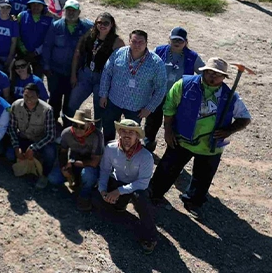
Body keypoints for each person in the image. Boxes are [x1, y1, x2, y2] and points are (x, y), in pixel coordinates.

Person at [149, 57, 252, 218]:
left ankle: (193, 201)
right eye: (210, 72)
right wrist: (168, 129)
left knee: (203, 177)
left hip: (210, 146)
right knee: (167, 169)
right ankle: (153, 194)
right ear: (203, 71)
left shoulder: (230, 96)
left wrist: (229, 130)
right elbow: (169, 106)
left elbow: (245, 118)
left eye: (217, 74)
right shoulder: (184, 84)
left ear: (224, 77)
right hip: (181, 138)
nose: (213, 76)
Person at [93, 118, 159, 254]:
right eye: (124, 131)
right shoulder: (111, 148)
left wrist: (118, 191)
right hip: (118, 182)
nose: (127, 135)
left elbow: (142, 182)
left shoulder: (146, 156)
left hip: (137, 187)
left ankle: (150, 237)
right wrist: (103, 190)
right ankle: (119, 205)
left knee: (142, 198)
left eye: (131, 132)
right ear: (119, 133)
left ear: (137, 136)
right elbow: (105, 170)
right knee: (97, 199)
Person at [99, 30, 166, 144]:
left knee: (131, 135)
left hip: (136, 107)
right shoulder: (118, 53)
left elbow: (161, 88)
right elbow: (107, 73)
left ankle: (128, 152)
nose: (137, 45)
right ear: (129, 41)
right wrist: (103, 94)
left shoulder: (156, 63)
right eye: (134, 41)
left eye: (141, 42)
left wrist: (149, 108)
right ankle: (108, 149)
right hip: (114, 101)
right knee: (108, 129)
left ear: (146, 43)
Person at [147, 27, 205, 152]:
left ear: (186, 42)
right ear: (169, 39)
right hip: (157, 94)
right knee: (152, 122)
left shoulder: (192, 57)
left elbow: (204, 74)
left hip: (178, 98)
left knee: (174, 125)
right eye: (174, 40)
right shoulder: (159, 51)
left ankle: (172, 151)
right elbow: (147, 66)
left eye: (180, 40)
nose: (177, 43)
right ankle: (148, 146)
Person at [41, 0, 93, 120]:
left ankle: (67, 124)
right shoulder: (55, 26)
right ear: (64, 11)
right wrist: (46, 66)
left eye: (73, 10)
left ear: (79, 12)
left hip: (75, 72)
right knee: (54, 99)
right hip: (56, 71)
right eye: (68, 10)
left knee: (71, 101)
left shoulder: (87, 27)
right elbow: (47, 46)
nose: (71, 13)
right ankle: (53, 122)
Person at [50, 105, 103, 210]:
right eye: (75, 125)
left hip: (88, 166)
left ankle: (84, 196)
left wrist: (73, 163)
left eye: (82, 126)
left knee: (88, 175)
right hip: (73, 162)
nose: (78, 129)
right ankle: (74, 182)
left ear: (89, 125)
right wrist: (64, 167)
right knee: (53, 178)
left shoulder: (97, 136)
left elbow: (94, 162)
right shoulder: (66, 133)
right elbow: (63, 152)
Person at [8, 83, 58, 188]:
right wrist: (16, 146)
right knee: (10, 154)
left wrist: (33, 148)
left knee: (50, 152)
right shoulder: (16, 105)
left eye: (32, 97)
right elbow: (12, 128)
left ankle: (44, 175)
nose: (29, 99)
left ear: (38, 96)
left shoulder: (47, 110)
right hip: (23, 137)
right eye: (26, 96)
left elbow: (51, 135)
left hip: (40, 141)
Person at [17, 0, 53, 74]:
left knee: (38, 77)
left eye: (39, 4)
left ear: (43, 6)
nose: (36, 7)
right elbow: (17, 34)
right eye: (33, 4)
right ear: (29, 5)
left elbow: (49, 39)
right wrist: (24, 50)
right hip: (22, 53)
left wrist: (36, 52)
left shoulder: (49, 19)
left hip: (40, 55)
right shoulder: (22, 15)